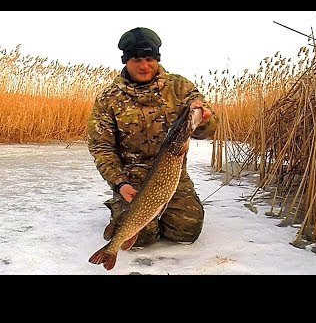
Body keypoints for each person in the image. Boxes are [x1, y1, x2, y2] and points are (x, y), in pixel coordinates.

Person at [87, 27, 218, 248]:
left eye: (149, 58)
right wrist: (120, 184)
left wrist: (204, 119)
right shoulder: (109, 98)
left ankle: (167, 213)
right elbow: (101, 147)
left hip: (171, 175)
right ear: (126, 61)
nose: (144, 65)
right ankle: (120, 206)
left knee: (187, 231)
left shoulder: (179, 87)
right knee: (141, 237)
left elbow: (208, 128)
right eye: (137, 59)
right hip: (131, 179)